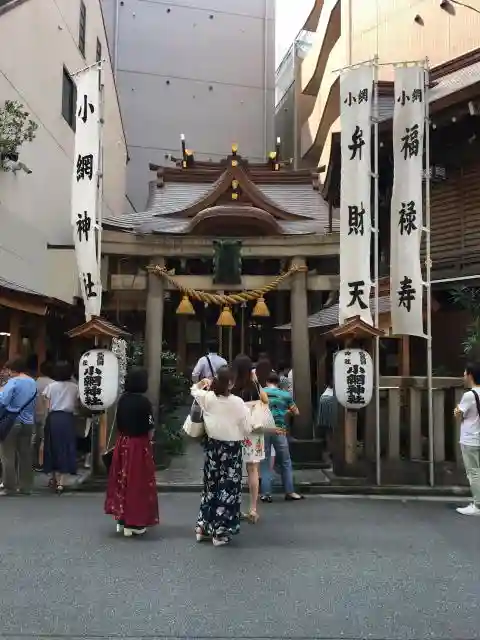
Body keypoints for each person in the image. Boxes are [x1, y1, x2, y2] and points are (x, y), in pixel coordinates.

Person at [192, 366, 252, 546]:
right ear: (231, 383)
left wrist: (202, 383)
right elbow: (247, 428)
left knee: (210, 486)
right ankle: (220, 531)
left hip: (213, 446)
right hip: (232, 448)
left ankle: (203, 526)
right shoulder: (238, 403)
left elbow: (194, 390)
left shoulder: (208, 398)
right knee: (228, 489)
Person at [105, 367, 159, 537]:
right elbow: (149, 427)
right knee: (138, 483)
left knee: (122, 481)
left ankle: (121, 519)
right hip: (138, 444)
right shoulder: (144, 402)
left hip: (123, 442)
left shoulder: (123, 400)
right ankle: (133, 523)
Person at [231, 354, 269, 523]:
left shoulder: (232, 387)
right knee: (253, 469)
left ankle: (234, 507)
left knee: (235, 470)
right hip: (255, 429)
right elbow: (265, 400)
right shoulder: (254, 386)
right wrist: (256, 381)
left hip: (238, 430)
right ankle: (253, 509)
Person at [260, 372, 304, 502]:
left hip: (264, 430)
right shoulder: (285, 395)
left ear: (267, 382)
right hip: (280, 430)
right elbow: (296, 412)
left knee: (265, 462)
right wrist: (284, 411)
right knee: (285, 461)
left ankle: (266, 494)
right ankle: (289, 491)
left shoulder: (261, 393)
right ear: (278, 382)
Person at [0, 357, 38, 496]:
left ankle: (9, 486)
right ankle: (26, 487)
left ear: (12, 369)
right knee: (25, 455)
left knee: (8, 455)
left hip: (11, 422)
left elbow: (3, 401)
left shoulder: (13, 382)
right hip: (28, 422)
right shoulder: (32, 382)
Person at [43, 361, 79, 494]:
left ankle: (54, 478)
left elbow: (47, 406)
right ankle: (61, 482)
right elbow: (77, 405)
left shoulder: (50, 386)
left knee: (52, 447)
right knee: (65, 447)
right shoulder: (75, 387)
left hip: (53, 418)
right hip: (68, 419)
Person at [454, 363, 480, 516]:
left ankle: (477, 505)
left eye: (465, 373)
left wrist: (457, 409)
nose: (463, 376)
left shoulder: (469, 395)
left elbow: (458, 414)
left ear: (470, 375)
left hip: (470, 439)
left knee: (474, 473)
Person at [33, 361, 54, 472]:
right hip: (47, 414)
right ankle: (43, 462)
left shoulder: (35, 382)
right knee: (45, 439)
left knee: (35, 439)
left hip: (35, 413)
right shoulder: (53, 384)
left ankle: (35, 461)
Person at [316, 375, 338, 463]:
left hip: (329, 420)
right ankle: (331, 452)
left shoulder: (325, 396)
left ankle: (331, 452)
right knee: (331, 433)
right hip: (332, 419)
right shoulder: (328, 396)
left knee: (329, 434)